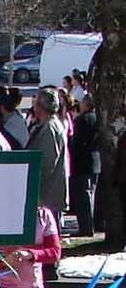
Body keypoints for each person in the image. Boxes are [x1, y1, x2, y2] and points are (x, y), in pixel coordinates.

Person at [27, 89, 69, 221]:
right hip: (47, 193)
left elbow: (47, 162)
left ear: (40, 106)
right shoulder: (48, 125)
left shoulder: (50, 128)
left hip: (47, 195)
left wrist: (31, 182)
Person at [68, 93, 100, 237]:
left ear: (86, 104)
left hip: (83, 163)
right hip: (94, 160)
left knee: (84, 197)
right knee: (90, 194)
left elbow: (77, 143)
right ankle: (91, 225)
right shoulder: (97, 118)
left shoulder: (83, 120)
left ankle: (86, 228)